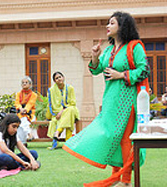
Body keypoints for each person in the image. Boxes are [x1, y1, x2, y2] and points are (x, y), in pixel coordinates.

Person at [63, 11, 150, 187]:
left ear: (122, 26)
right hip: (111, 100)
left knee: (126, 139)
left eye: (111, 23)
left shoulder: (135, 46)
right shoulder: (109, 49)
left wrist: (121, 74)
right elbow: (95, 70)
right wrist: (94, 56)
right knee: (112, 138)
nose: (107, 26)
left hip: (128, 100)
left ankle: (125, 181)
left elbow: (144, 70)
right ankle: (115, 178)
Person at [47, 71, 79, 150]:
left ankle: (57, 132)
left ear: (63, 78)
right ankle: (67, 144)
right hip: (57, 112)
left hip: (71, 109)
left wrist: (62, 111)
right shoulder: (51, 90)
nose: (59, 79)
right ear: (54, 81)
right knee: (68, 117)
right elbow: (50, 104)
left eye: (60, 77)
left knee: (70, 110)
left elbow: (73, 103)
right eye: (56, 78)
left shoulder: (70, 88)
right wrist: (56, 113)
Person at [15, 76, 37, 146]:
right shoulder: (18, 94)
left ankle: (23, 141)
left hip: (30, 113)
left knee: (23, 119)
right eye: (23, 83)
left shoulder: (34, 95)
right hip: (20, 112)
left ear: (30, 85)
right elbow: (17, 103)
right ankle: (29, 134)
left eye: (26, 83)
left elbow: (30, 103)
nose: (24, 84)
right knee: (22, 120)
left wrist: (25, 110)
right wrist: (20, 109)